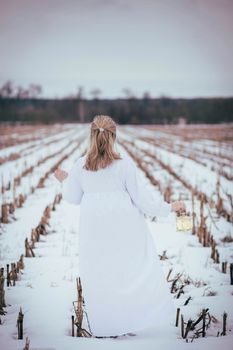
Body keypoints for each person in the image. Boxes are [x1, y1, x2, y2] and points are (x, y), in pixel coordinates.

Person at [54, 115, 185, 338]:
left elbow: (73, 197)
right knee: (127, 271)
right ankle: (128, 320)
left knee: (99, 274)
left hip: (93, 229)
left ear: (91, 136)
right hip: (124, 227)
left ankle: (105, 325)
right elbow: (144, 202)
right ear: (113, 136)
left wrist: (65, 180)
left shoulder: (80, 166)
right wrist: (170, 207)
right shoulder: (124, 165)